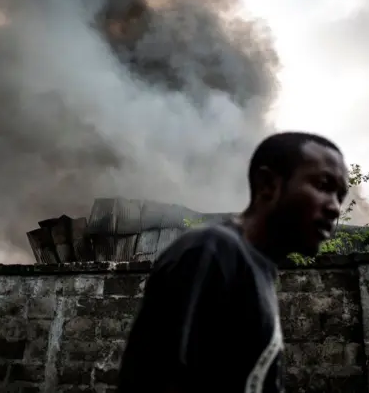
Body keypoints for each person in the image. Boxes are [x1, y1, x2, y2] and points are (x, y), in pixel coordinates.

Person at [116, 132, 349, 393]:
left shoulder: (259, 268)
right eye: (323, 186)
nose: (335, 208)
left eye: (340, 196)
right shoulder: (211, 251)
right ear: (268, 184)